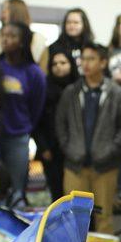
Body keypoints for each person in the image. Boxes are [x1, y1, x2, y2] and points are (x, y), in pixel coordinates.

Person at [56, 43, 121, 234]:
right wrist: (69, 149)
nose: (86, 64)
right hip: (75, 166)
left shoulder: (116, 92)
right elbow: (60, 124)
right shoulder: (71, 91)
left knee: (104, 217)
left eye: (91, 59)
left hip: (105, 167)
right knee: (73, 218)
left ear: (103, 62)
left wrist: (111, 151)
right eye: (83, 59)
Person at [0, 22, 47, 207]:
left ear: (23, 41)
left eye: (12, 36)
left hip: (18, 137)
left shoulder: (34, 73)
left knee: (16, 190)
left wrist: (23, 126)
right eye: (3, 35)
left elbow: (37, 107)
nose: (6, 39)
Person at [33, 47, 78, 200]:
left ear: (71, 65)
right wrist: (43, 147)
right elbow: (36, 121)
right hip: (51, 152)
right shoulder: (43, 89)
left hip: (77, 152)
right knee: (57, 195)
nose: (59, 66)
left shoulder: (79, 88)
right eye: (54, 64)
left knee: (77, 196)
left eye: (63, 62)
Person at [0, 0, 49, 73]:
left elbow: (43, 73)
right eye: (2, 10)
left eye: (7, 9)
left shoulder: (38, 40)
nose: (3, 13)